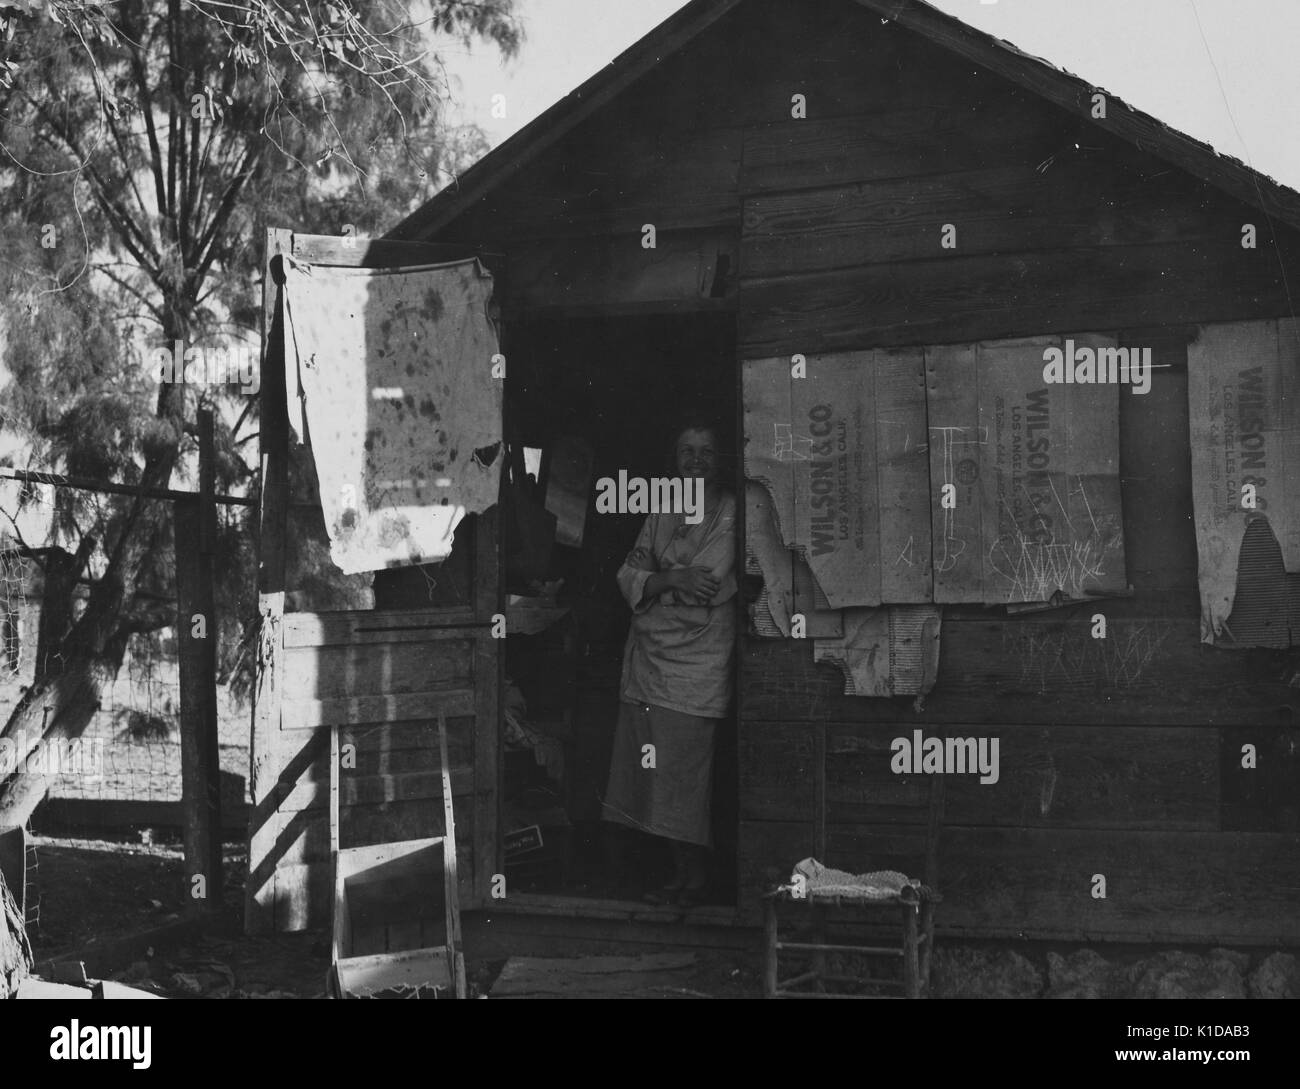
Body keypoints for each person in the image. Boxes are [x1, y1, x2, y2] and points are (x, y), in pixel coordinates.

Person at [600, 416, 736, 907]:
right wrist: (669, 581)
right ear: (674, 461)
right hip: (650, 663)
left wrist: (660, 580)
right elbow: (629, 573)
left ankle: (695, 878)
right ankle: (675, 876)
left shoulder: (730, 512)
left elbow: (708, 586)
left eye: (705, 451)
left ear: (720, 460)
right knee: (650, 773)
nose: (695, 460)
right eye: (686, 451)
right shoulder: (660, 510)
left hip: (695, 666)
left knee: (683, 776)